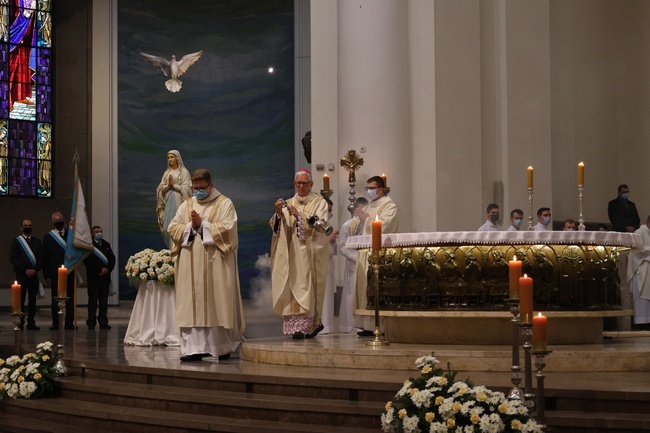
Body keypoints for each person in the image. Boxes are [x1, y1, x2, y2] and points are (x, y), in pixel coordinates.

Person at [168, 169, 245, 362]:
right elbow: (173, 227)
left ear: (210, 185)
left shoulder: (224, 203)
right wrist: (190, 227)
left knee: (216, 301)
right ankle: (193, 348)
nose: (197, 192)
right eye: (194, 189)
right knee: (191, 305)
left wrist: (203, 224)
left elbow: (229, 229)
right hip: (190, 264)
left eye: (201, 188)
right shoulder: (187, 205)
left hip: (215, 264)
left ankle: (221, 347)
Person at [270, 169, 329, 339]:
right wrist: (279, 214)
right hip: (291, 254)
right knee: (291, 287)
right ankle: (296, 326)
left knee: (307, 288)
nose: (301, 186)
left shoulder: (320, 202)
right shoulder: (288, 202)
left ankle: (310, 324)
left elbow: (322, 225)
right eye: (298, 183)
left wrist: (300, 216)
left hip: (309, 254)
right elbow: (278, 228)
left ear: (311, 184)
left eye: (304, 183)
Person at [356, 175, 399, 336]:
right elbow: (357, 225)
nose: (369, 191)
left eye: (372, 189)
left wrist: (365, 219)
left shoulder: (390, 206)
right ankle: (367, 325)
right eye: (367, 188)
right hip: (365, 251)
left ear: (381, 189)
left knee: (377, 287)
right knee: (364, 287)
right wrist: (358, 219)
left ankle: (379, 325)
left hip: (379, 253)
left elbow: (385, 225)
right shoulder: (369, 206)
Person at [337, 197, 368, 334]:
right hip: (354, 263)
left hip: (367, 262)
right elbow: (342, 246)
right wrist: (357, 257)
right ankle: (351, 325)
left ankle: (367, 324)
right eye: (361, 209)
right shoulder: (348, 225)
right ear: (355, 210)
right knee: (352, 295)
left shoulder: (370, 223)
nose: (363, 212)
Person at [41, 212, 75, 330]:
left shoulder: (71, 236)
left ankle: (69, 323)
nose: (58, 221)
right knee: (55, 299)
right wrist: (46, 276)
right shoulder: (48, 237)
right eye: (56, 220)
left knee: (70, 299)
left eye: (60, 219)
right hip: (54, 274)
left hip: (69, 272)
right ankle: (55, 323)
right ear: (53, 222)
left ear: (63, 220)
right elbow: (44, 258)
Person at [9, 219, 42, 330]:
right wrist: (25, 270)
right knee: (21, 299)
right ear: (21, 228)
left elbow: (41, 258)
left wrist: (34, 270)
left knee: (32, 300)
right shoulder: (17, 242)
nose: (27, 227)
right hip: (21, 275)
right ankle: (20, 321)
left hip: (34, 275)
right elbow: (13, 257)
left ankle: (31, 322)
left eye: (29, 225)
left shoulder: (37, 242)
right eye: (25, 225)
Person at [156, 150, 192, 248]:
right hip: (168, 203)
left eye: (172, 157)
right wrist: (168, 186)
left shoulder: (184, 172)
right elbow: (160, 190)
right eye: (168, 158)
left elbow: (188, 189)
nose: (170, 160)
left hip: (179, 202)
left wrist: (174, 185)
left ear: (177, 158)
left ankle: (178, 249)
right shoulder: (167, 173)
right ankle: (170, 249)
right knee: (167, 226)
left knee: (178, 226)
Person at [83, 226, 116, 330]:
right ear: (92, 233)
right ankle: (91, 322)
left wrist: (107, 269)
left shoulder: (106, 245)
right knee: (92, 301)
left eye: (101, 231)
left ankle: (103, 322)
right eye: (97, 232)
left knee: (103, 301)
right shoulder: (89, 246)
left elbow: (112, 259)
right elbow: (87, 261)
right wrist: (99, 270)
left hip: (105, 278)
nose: (99, 233)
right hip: (94, 277)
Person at [626, 214, 650, 327]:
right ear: (648, 221)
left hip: (648, 268)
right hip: (641, 268)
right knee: (641, 297)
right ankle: (641, 323)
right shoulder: (639, 233)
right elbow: (636, 250)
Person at [321, 198, 339, 334]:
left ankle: (328, 326)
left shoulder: (329, 223)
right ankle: (322, 327)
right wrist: (328, 239)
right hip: (320, 264)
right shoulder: (316, 223)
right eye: (328, 210)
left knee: (329, 298)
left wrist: (334, 241)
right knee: (323, 297)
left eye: (331, 210)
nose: (329, 213)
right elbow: (311, 244)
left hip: (328, 263)